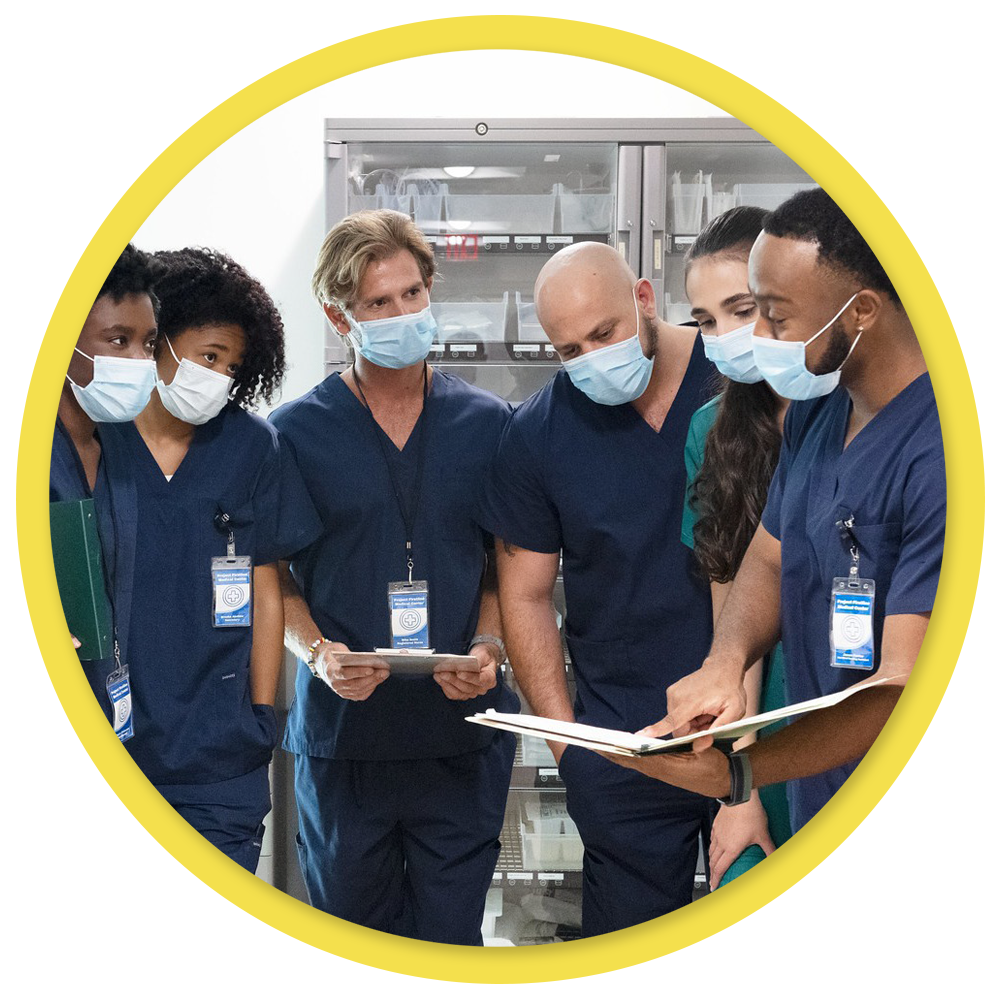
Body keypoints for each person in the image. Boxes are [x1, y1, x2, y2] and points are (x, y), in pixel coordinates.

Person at [603, 189, 944, 833]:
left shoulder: (943, 449)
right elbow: (766, 555)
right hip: (821, 787)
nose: (757, 339)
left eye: (775, 317)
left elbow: (903, 689)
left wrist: (740, 774)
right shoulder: (819, 410)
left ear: (861, 310)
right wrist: (722, 666)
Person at [270, 209, 518, 945]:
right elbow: (272, 577)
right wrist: (316, 653)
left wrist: (490, 649)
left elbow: (508, 573)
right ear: (338, 315)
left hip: (460, 736)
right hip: (347, 741)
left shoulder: (488, 423)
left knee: (451, 942)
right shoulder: (294, 433)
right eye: (378, 304)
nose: (402, 314)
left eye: (412, 294)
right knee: (354, 948)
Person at [477, 241, 718, 936]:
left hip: (752, 723)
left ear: (644, 298)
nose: (590, 359)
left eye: (605, 333)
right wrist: (570, 749)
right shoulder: (538, 437)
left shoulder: (733, 379)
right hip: (624, 742)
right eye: (568, 350)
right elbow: (524, 596)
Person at [96, 247, 321, 873]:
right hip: (112, 741)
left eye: (232, 366)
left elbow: (266, 583)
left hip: (219, 753)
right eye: (209, 356)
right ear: (158, 340)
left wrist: (259, 713)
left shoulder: (252, 447)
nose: (219, 379)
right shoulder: (96, 436)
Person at [682, 206, 791, 889]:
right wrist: (741, 786)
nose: (724, 336)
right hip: (763, 715)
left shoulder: (854, 412)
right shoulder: (712, 432)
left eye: (741, 309)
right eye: (704, 320)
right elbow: (733, 616)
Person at [52, 243, 160, 727]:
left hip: (108, 706)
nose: (139, 359)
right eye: (119, 341)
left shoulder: (120, 447)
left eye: (149, 343)